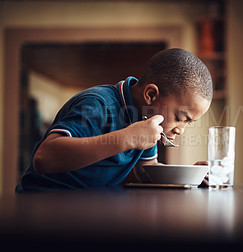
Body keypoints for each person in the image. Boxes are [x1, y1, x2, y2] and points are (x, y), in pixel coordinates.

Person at [16, 48, 213, 192]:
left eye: (188, 123)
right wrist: (127, 137)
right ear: (151, 95)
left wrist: (187, 176)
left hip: (89, 206)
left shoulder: (146, 119)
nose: (181, 130)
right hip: (43, 203)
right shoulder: (98, 104)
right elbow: (44, 159)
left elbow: (146, 170)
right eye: (180, 118)